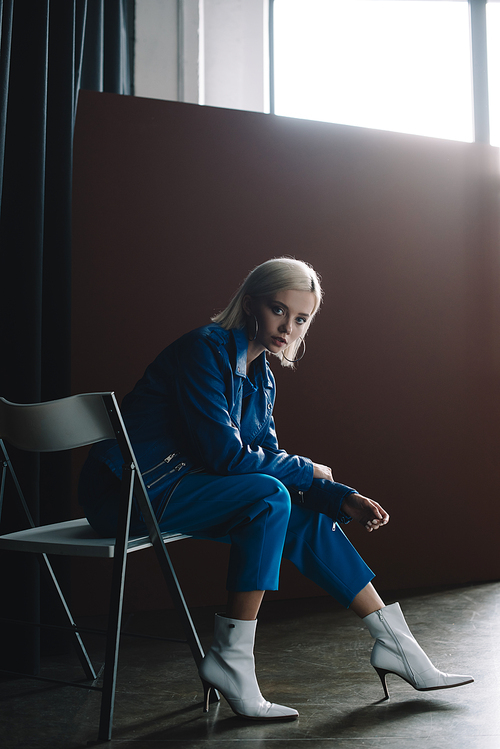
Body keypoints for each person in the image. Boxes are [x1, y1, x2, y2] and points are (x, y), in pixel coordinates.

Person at [79, 257, 473, 720]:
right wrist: (310, 471)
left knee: (286, 505)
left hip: (183, 489)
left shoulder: (262, 379)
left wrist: (337, 495)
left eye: (301, 319)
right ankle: (230, 660)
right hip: (129, 492)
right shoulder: (203, 350)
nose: (288, 327)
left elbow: (270, 462)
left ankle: (398, 648)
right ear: (250, 305)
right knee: (269, 498)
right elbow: (227, 458)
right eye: (278, 310)